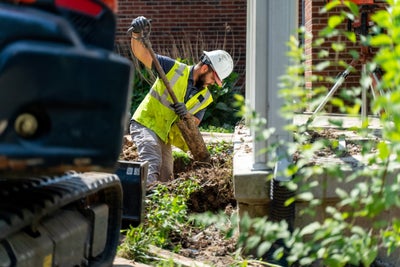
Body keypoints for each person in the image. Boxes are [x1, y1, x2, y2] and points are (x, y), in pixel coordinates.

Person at [127, 16, 234, 185]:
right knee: (152, 162)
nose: (213, 83)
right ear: (205, 68)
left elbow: (194, 124)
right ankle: (140, 206)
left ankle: (158, 209)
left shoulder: (205, 97)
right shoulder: (173, 69)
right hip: (146, 123)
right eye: (214, 79)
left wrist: (187, 115)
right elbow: (143, 54)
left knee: (166, 178)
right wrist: (136, 34)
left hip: (164, 136)